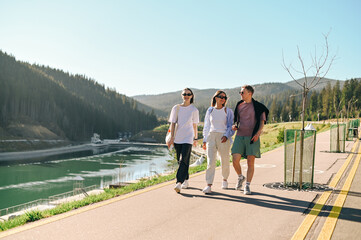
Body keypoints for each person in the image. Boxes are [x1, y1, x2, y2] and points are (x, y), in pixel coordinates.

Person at [231, 85, 269, 195]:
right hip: (240, 136)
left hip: (252, 137)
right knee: (235, 159)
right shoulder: (239, 105)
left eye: (242, 92)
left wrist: (258, 134)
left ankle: (247, 185)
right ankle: (240, 177)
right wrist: (234, 126)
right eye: (240, 92)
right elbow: (236, 120)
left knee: (250, 162)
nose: (240, 94)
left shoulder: (258, 106)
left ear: (250, 94)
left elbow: (262, 122)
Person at [202, 90, 234, 194]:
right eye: (221, 97)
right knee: (210, 162)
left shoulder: (228, 111)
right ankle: (209, 185)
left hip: (223, 137)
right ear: (216, 98)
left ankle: (224, 179)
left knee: (225, 160)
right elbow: (206, 125)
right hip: (211, 136)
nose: (223, 99)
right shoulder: (210, 110)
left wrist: (226, 135)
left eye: (224, 97)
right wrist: (204, 140)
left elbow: (231, 126)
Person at [167, 88, 199, 193]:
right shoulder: (176, 108)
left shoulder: (194, 110)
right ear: (182, 95)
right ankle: (186, 179)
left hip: (188, 137)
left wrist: (195, 138)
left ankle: (179, 183)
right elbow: (172, 123)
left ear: (192, 96)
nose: (186, 95)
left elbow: (195, 125)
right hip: (178, 137)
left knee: (183, 158)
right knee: (181, 160)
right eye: (184, 94)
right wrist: (172, 137)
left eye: (188, 94)